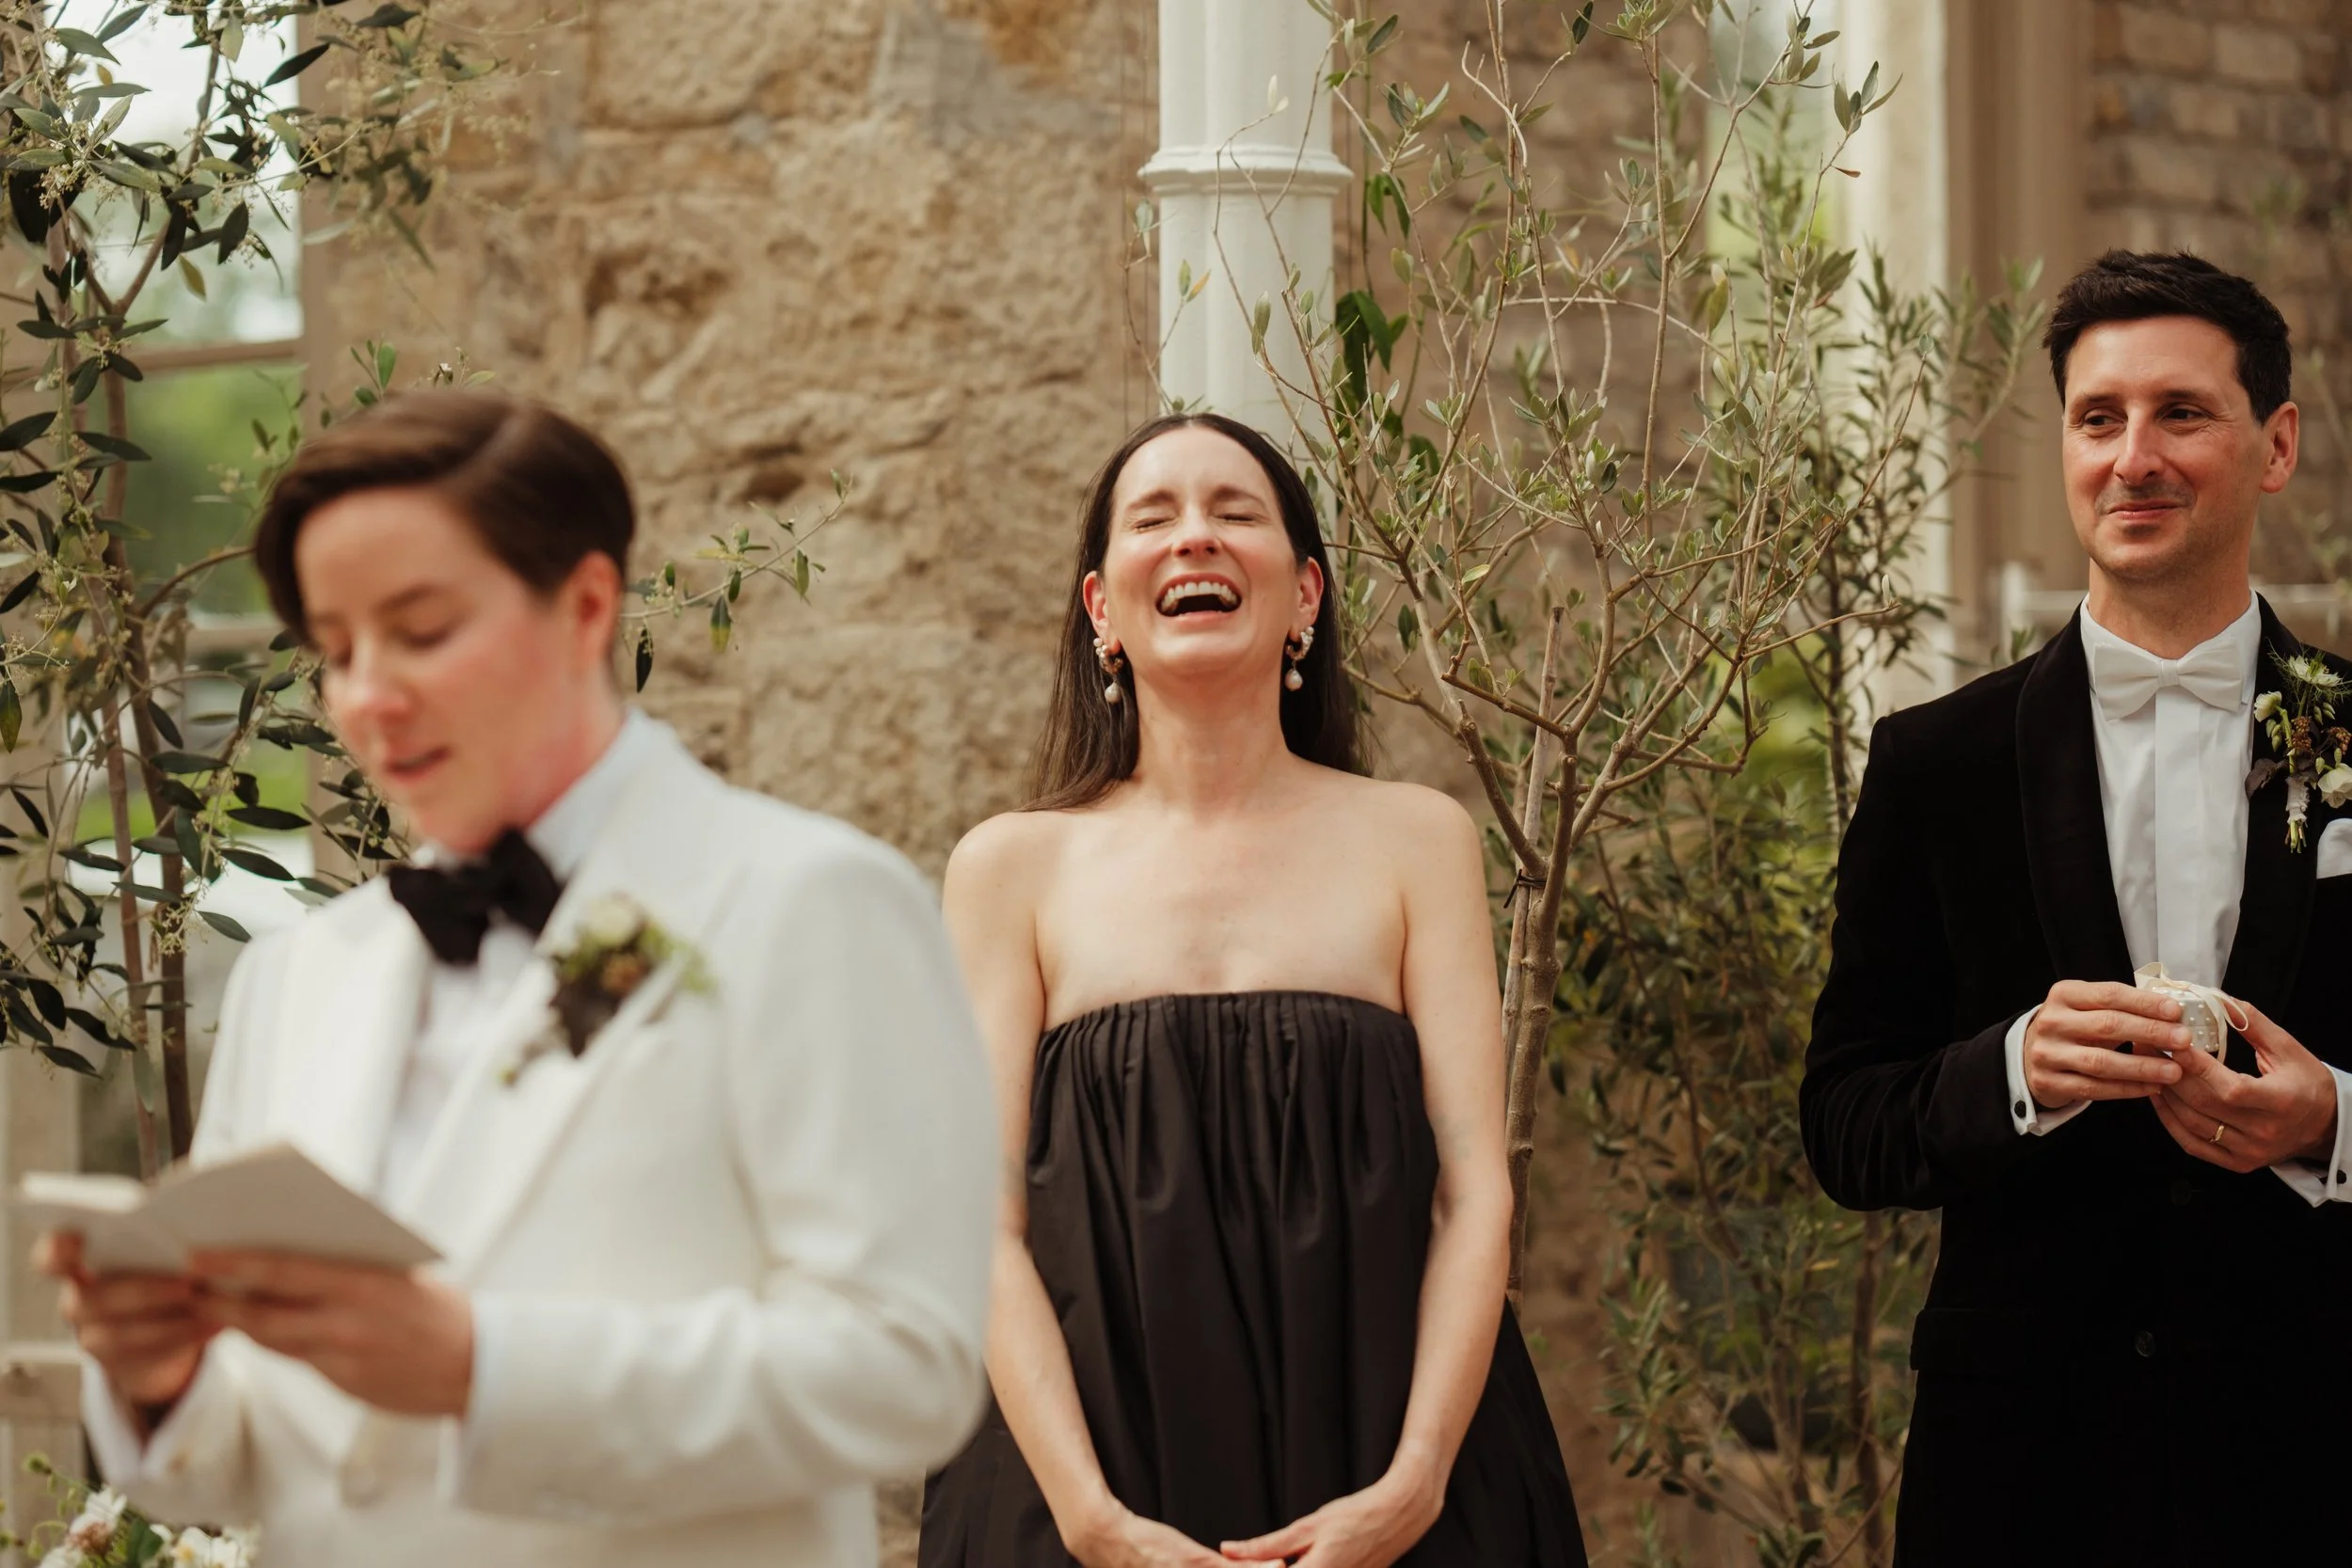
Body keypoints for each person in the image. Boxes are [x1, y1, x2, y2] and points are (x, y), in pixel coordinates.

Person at [40, 389, 997, 1564]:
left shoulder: (811, 902)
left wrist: (482, 1368)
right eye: (336, 650)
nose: (366, 695)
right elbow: (275, 1446)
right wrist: (162, 1377)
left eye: (424, 628)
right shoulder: (300, 974)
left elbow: (905, 1369)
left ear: (586, 605)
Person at [918, 412, 1585, 1568]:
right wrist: (1094, 1523)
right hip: (1080, 1496)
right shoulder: (1008, 867)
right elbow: (981, 1230)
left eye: (1235, 514)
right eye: (1155, 518)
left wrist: (1415, 1484)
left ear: (1306, 593)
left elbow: (1473, 1194)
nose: (1196, 541)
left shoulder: (1417, 842)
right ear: (1100, 609)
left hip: (1397, 1479)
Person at [1802, 251, 2352, 1564]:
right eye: (2099, 418)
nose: (2133, 456)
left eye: (2181, 413)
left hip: (2316, 1453)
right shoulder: (1935, 762)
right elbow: (1843, 1120)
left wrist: (2334, 1118)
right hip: (2020, 1473)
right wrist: (2010, 1072)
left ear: (2276, 444)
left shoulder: (2349, 730)